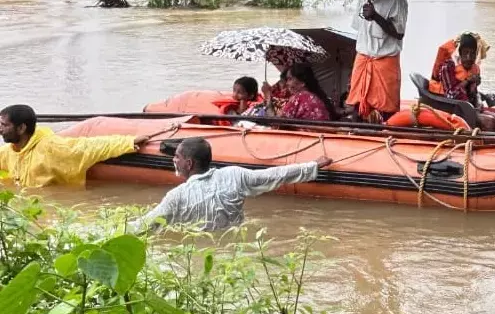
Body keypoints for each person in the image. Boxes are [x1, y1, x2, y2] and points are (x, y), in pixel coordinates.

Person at [128, 137, 332, 233]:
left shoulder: (176, 196)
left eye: (177, 157)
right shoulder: (234, 175)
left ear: (188, 164)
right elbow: (274, 175)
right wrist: (313, 166)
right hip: (235, 242)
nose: (174, 160)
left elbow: (144, 225)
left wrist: (109, 232)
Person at [0, 104, 150, 188]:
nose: (0, 129)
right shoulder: (10, 151)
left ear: (21, 128)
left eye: (4, 125)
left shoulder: (51, 147)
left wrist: (127, 142)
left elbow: (87, 147)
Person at [346, 0, 408, 123]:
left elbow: (399, 33)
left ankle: (387, 139)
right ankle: (357, 139)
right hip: (363, 60)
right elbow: (360, 33)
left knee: (387, 111)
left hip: (385, 61)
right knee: (357, 108)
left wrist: (376, 17)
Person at [263, 63, 335, 121]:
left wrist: (268, 96)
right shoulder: (314, 96)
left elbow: (274, 122)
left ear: (302, 83)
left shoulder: (300, 97)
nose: (287, 83)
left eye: (290, 79)